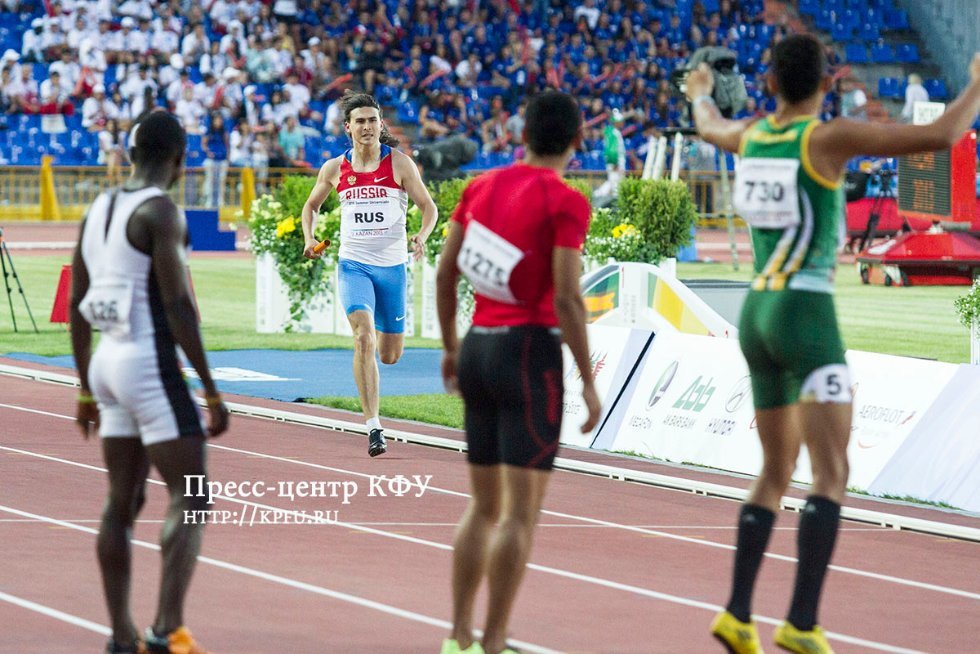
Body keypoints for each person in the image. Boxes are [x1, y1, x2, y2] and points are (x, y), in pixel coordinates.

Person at [687, 36, 980, 654]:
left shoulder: (752, 137)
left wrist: (699, 91)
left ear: (769, 84)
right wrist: (977, 82)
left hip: (757, 311)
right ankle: (799, 622)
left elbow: (708, 124)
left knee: (773, 470)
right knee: (831, 472)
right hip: (806, 310)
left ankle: (738, 612)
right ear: (826, 85)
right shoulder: (825, 139)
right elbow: (940, 136)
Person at [435, 90, 602, 654]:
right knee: (520, 515)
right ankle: (495, 640)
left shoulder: (481, 186)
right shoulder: (566, 200)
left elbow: (444, 271)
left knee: (482, 506)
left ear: (521, 134)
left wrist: (452, 347)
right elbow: (568, 295)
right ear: (579, 141)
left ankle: (457, 636)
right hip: (529, 353)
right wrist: (588, 379)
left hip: (479, 347)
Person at [70, 110, 230, 654]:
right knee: (193, 495)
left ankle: (121, 634)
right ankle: (166, 631)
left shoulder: (98, 207)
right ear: (181, 159)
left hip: (107, 364)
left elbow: (75, 303)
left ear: (131, 153)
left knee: (122, 501)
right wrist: (209, 388)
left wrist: (85, 387)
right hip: (147, 363)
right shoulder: (162, 212)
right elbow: (178, 304)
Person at [301, 90, 437, 457]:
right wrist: (309, 237)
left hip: (392, 268)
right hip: (354, 265)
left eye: (372, 120)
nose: (366, 127)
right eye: (359, 121)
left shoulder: (400, 164)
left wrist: (421, 235)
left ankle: (378, 351)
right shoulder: (334, 168)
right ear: (348, 128)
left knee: (390, 354)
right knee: (363, 338)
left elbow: (428, 207)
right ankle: (374, 426)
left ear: (381, 125)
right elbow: (310, 206)